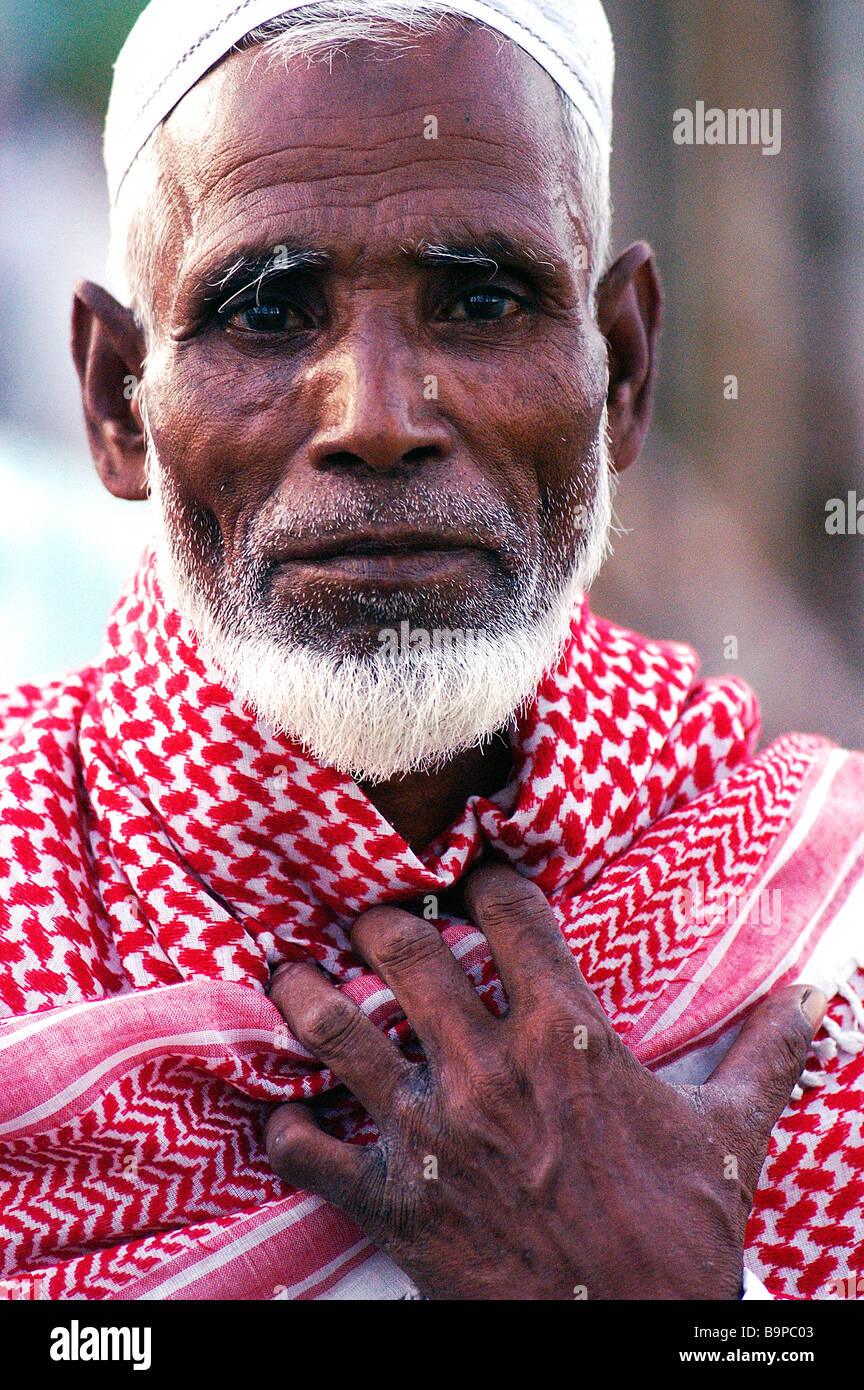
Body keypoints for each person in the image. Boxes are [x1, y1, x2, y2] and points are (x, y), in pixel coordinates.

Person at [0, 0, 861, 1301]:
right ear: (119, 399)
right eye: (271, 310)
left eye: (479, 297)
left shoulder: (825, 944)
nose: (382, 417)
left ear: (623, 370)